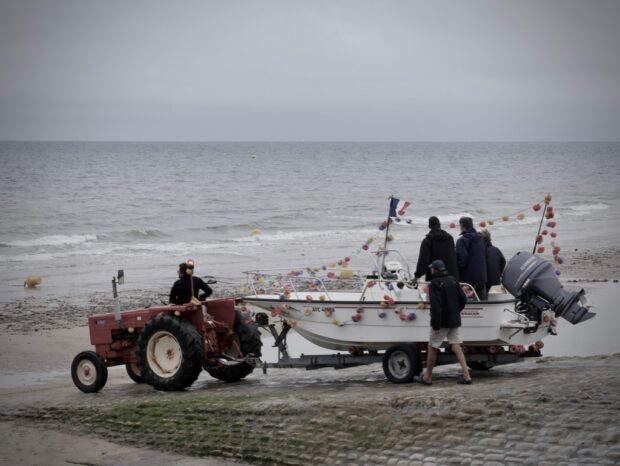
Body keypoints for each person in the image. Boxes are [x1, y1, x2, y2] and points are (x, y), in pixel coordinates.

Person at [415, 260, 472, 385]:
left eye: (432, 269)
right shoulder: (453, 279)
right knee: (456, 345)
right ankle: (467, 376)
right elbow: (463, 299)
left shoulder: (435, 283)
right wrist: (456, 311)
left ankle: (427, 377)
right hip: (454, 319)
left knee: (432, 347)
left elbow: (436, 306)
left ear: (435, 270)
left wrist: (436, 325)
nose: (431, 270)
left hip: (441, 321)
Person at [414, 216, 459, 282]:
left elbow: (423, 260)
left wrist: (417, 275)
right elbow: (453, 256)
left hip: (435, 278)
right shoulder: (450, 238)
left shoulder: (428, 240)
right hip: (452, 276)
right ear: (439, 225)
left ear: (429, 226)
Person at [455, 216, 487, 300]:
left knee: (466, 305)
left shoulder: (462, 240)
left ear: (462, 225)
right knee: (483, 304)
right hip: (482, 277)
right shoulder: (481, 238)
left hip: (468, 279)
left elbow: (461, 261)